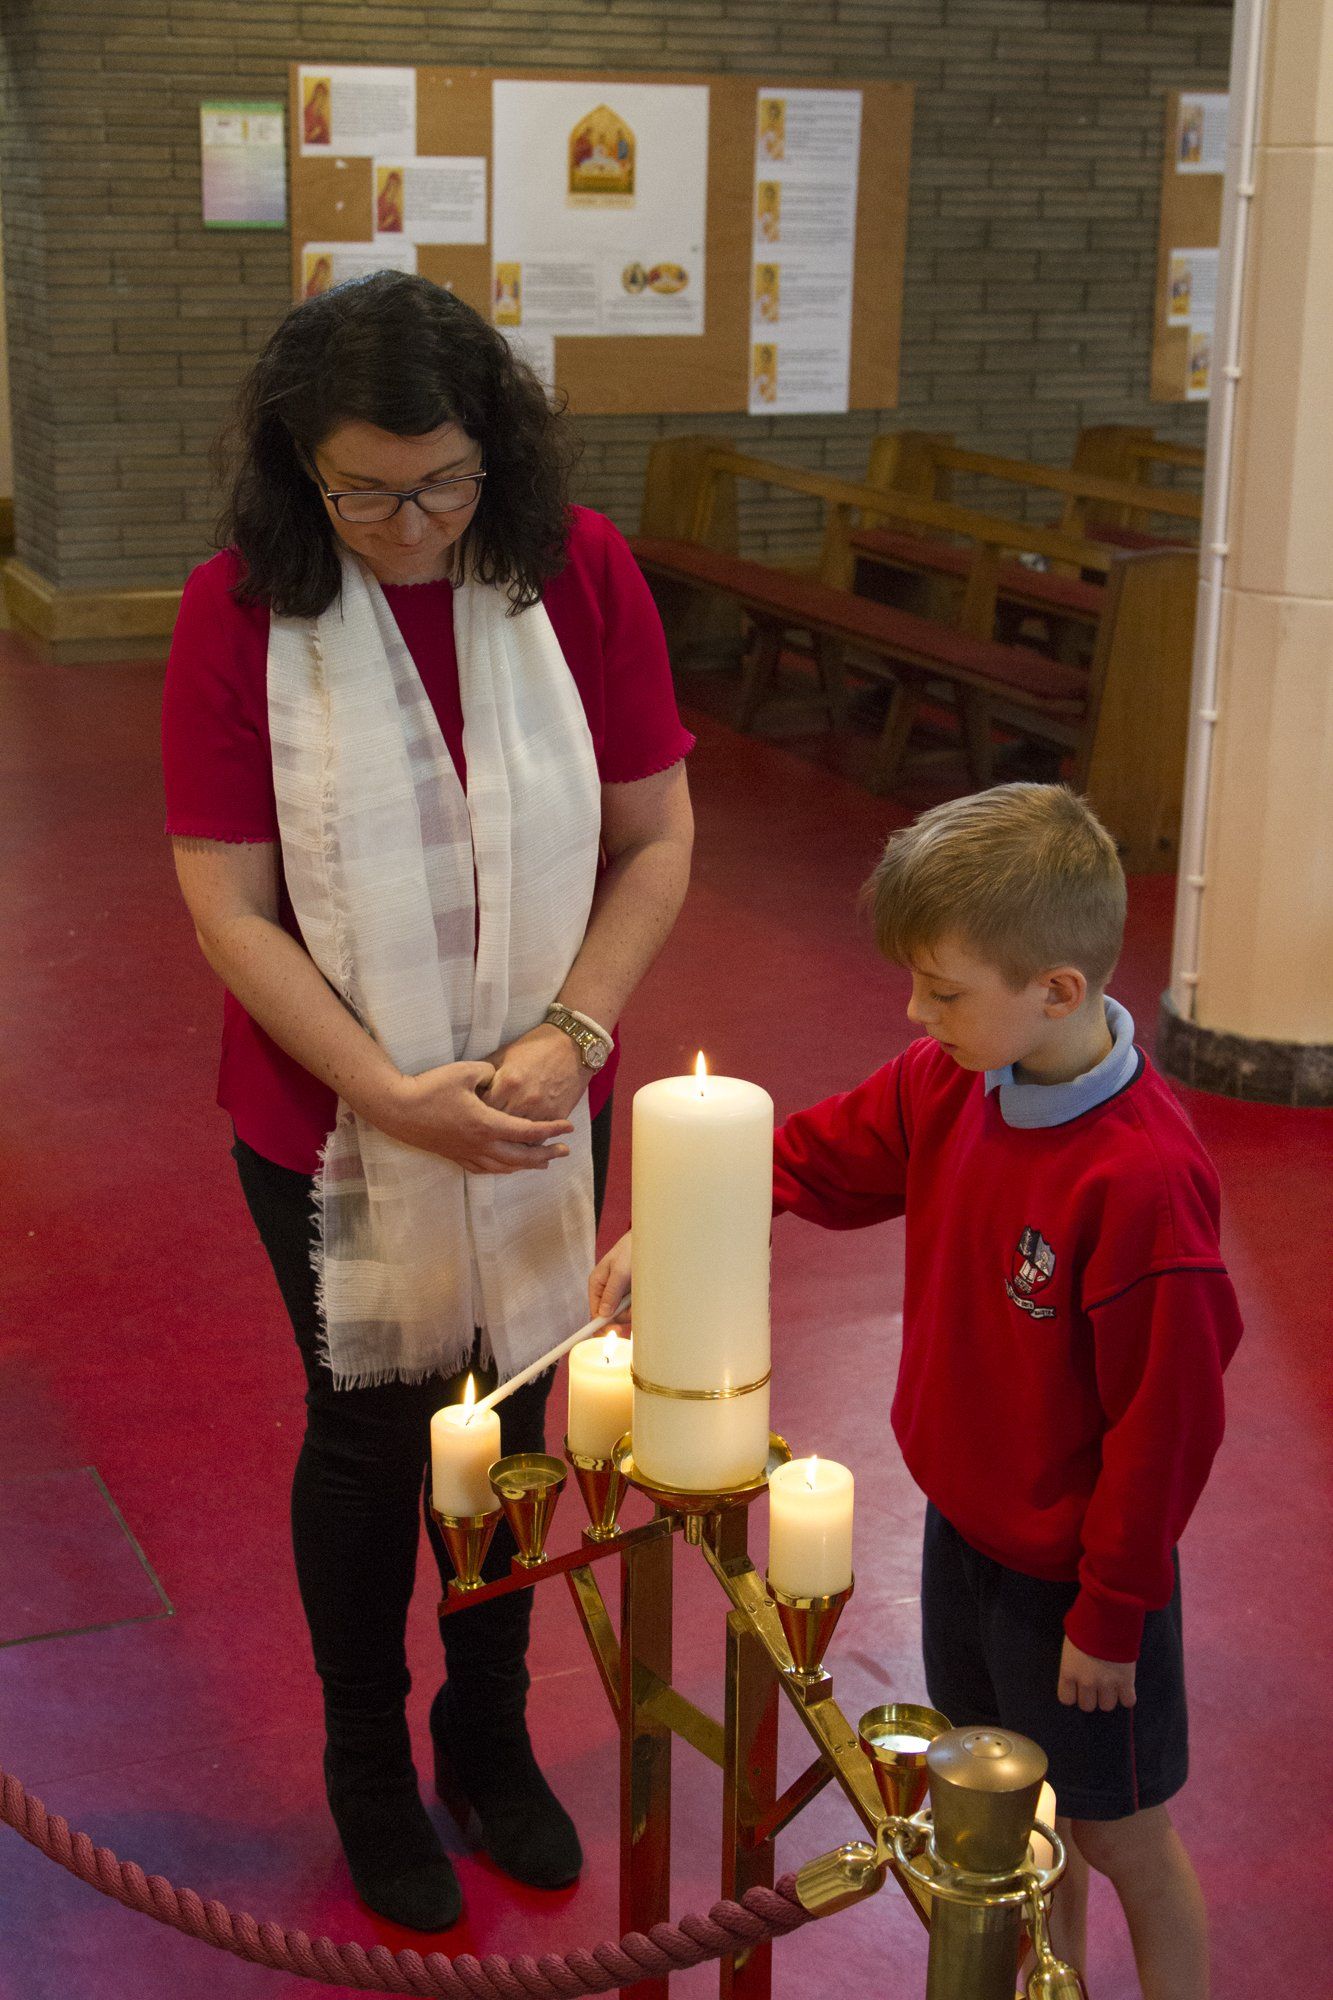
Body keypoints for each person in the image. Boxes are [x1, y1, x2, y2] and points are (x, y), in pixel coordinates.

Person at [163, 271, 694, 1933]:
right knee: (372, 1426)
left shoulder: (572, 568)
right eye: (367, 490)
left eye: (445, 481)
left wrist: (573, 1032)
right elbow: (229, 903)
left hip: (538, 1082)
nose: (409, 521)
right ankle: (366, 1761)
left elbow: (657, 836)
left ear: (496, 456)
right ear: (298, 471)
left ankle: (488, 1729)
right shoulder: (240, 605)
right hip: (331, 1111)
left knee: (510, 1408)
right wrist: (392, 1090)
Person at [591, 785, 1241, 1999]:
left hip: (1082, 1580)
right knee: (1016, 1821)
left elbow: (1166, 1426)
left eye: (942, 990)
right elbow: (809, 1155)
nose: (913, 1010)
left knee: (1117, 1833)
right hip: (966, 1534)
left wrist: (1110, 1610)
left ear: (1054, 989)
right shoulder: (948, 1078)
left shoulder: (1141, 1182)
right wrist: (676, 1221)